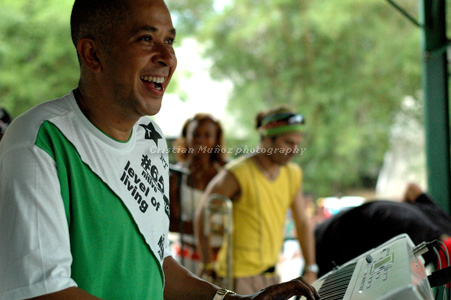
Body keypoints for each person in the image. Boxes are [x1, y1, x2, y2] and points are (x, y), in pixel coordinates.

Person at [0, 1, 320, 299]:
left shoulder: (150, 136)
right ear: (92, 54)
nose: (167, 58)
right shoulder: (39, 143)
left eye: (169, 41)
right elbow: (45, 292)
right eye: (145, 39)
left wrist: (230, 299)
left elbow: (159, 265)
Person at [195, 106, 319, 295]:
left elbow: (302, 223)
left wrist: (311, 268)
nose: (294, 150)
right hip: (235, 278)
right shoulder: (238, 172)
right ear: (267, 139)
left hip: (272, 276)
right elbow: (202, 214)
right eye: (288, 143)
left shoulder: (293, 174)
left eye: (297, 144)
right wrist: (207, 264)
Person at [314, 182, 451, 277]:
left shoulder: (445, 221)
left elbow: (412, 188)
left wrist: (401, 210)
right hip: (330, 244)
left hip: (339, 225)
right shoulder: (418, 247)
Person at [169, 113, 227, 274]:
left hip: (220, 262)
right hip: (186, 259)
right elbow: (171, 223)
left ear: (216, 140)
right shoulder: (175, 176)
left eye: (207, 135)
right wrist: (208, 229)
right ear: (186, 137)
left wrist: (194, 226)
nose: (200, 140)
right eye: (195, 134)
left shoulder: (226, 175)